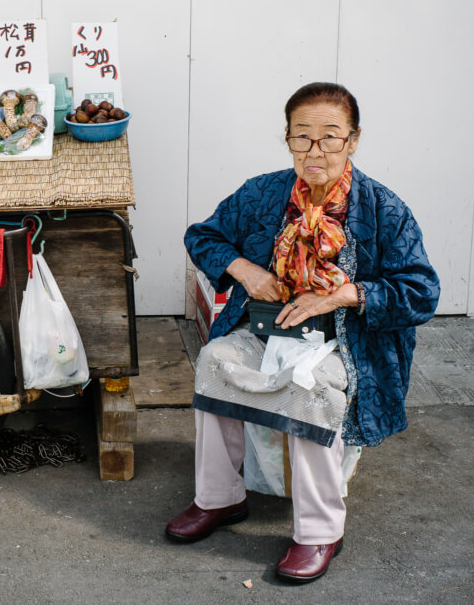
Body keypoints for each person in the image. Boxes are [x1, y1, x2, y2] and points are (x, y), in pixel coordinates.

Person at [166, 82, 439, 583]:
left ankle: (319, 532)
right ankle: (220, 499)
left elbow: (421, 291)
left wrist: (339, 295)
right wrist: (246, 271)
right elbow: (202, 235)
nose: (315, 152)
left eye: (329, 138)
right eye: (302, 137)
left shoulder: (383, 209)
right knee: (215, 361)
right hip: (269, 328)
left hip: (347, 340)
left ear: (353, 141)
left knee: (309, 387)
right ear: (287, 138)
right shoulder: (263, 193)